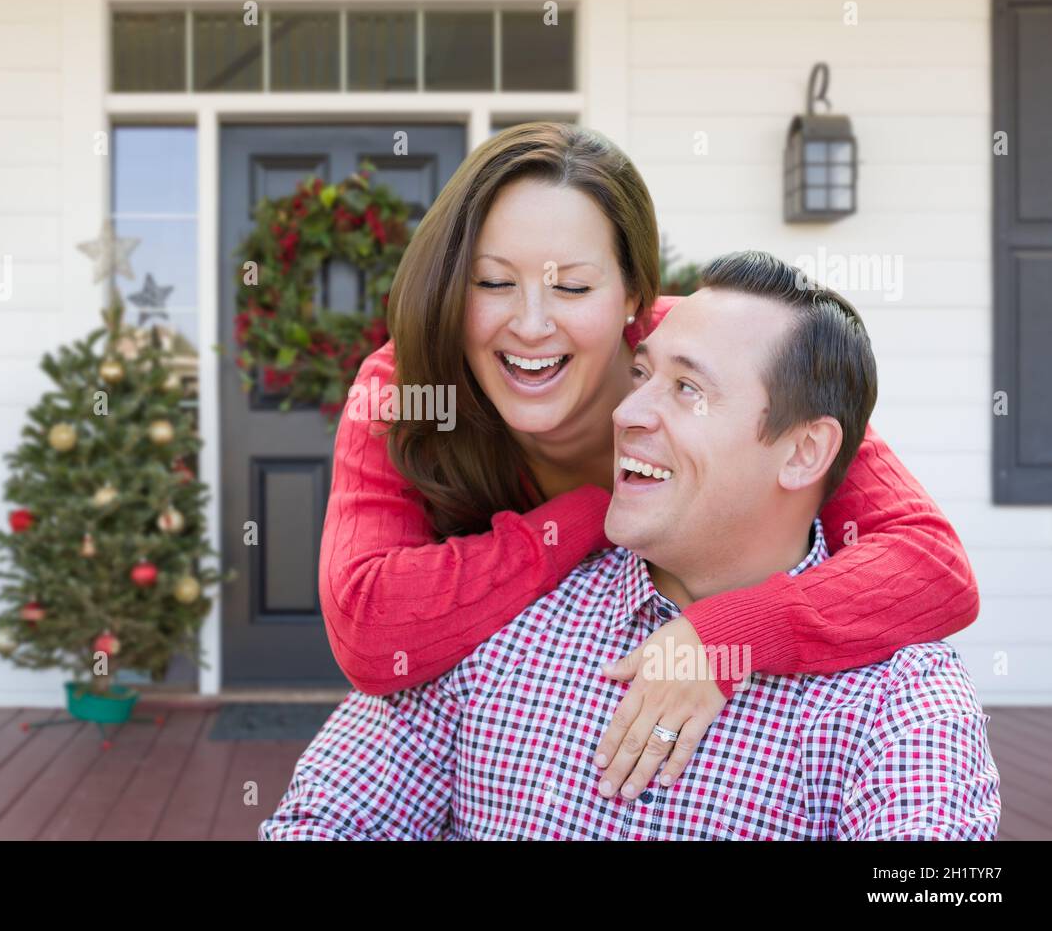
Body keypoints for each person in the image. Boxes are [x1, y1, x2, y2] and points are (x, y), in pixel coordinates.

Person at [320, 122, 978, 799]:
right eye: (492, 283)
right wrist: (586, 516)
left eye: (573, 288)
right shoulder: (408, 391)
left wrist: (727, 635)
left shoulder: (701, 354)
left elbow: (930, 565)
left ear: (633, 295)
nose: (532, 324)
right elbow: (369, 627)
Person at [263, 251, 1000, 840]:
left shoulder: (902, 701)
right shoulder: (504, 616)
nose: (626, 410)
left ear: (805, 453)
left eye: (687, 390)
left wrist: (730, 637)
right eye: (643, 374)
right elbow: (320, 822)